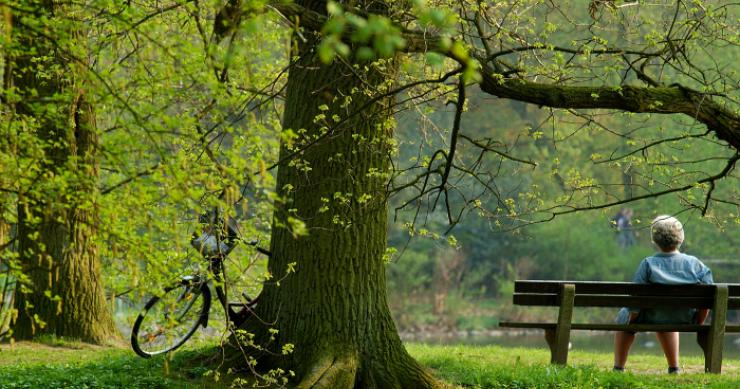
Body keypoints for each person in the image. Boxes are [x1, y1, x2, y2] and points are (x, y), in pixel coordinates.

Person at [613, 215, 713, 374]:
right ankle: (674, 367)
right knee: (669, 310)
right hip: (684, 317)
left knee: (624, 316)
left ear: (654, 240)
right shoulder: (695, 264)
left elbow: (636, 299)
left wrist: (631, 319)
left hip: (653, 316)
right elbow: (709, 297)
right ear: (681, 239)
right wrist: (699, 321)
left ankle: (618, 367)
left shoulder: (647, 264)